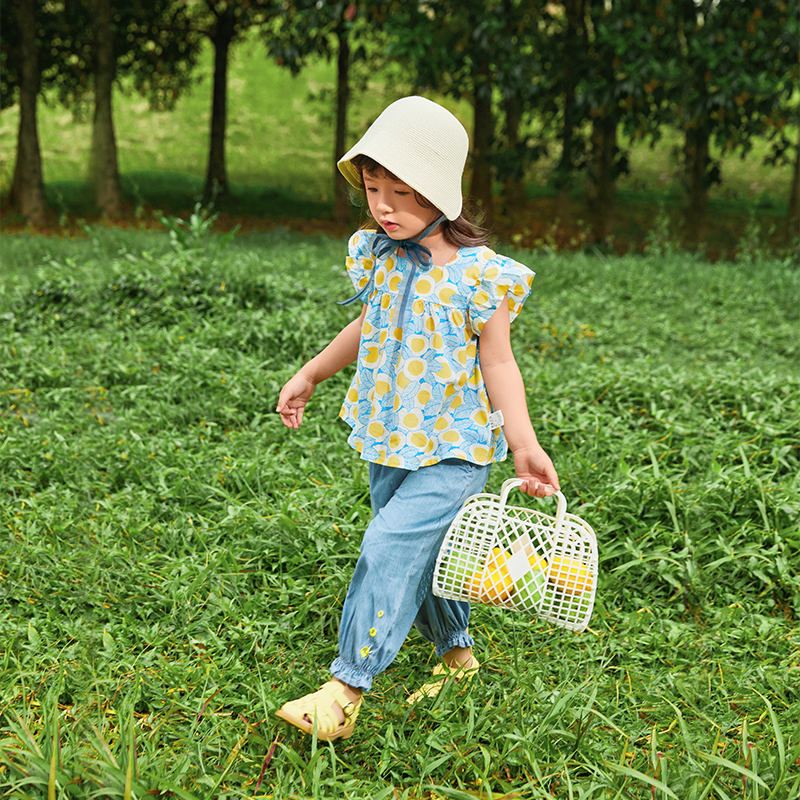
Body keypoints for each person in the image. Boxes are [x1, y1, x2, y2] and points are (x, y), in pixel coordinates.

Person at [274, 96, 559, 741]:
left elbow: (500, 364)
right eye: (373, 189)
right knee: (428, 555)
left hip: (454, 451)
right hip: (389, 439)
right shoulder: (379, 255)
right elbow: (366, 326)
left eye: (401, 193)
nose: (382, 206)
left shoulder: (480, 277)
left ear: (439, 192)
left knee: (387, 546)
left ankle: (344, 690)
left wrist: (524, 444)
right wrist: (312, 372)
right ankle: (458, 655)